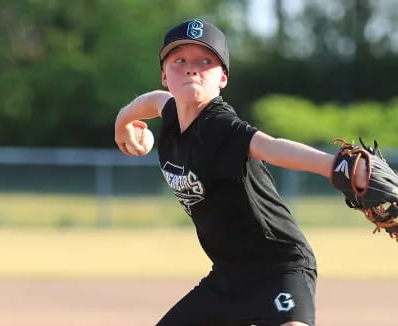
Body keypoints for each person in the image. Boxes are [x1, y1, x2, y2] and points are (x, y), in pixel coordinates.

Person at [114, 19, 367, 326]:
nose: (191, 69)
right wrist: (123, 126)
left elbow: (272, 148)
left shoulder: (220, 125)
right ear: (164, 75)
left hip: (280, 267)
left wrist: (334, 166)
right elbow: (150, 101)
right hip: (227, 278)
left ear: (222, 78)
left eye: (205, 61)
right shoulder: (168, 111)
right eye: (179, 60)